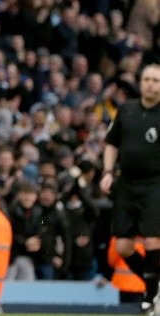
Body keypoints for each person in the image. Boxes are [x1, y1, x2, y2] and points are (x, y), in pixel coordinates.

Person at [101, 64, 160, 316]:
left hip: (155, 184)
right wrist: (107, 172)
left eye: (156, 80)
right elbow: (112, 144)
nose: (150, 84)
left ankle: (149, 295)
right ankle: (155, 285)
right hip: (126, 183)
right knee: (123, 246)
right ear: (141, 81)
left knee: (151, 239)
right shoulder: (126, 110)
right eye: (147, 79)